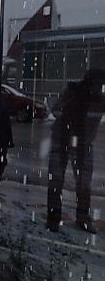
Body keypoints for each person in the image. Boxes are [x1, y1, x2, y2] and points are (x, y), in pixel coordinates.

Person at [46, 68, 105, 233]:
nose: (99, 87)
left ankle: (75, 218)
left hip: (79, 144)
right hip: (63, 140)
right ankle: (58, 218)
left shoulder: (98, 99)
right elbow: (56, 110)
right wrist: (67, 103)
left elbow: (56, 111)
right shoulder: (75, 92)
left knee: (81, 184)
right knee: (61, 182)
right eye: (98, 84)